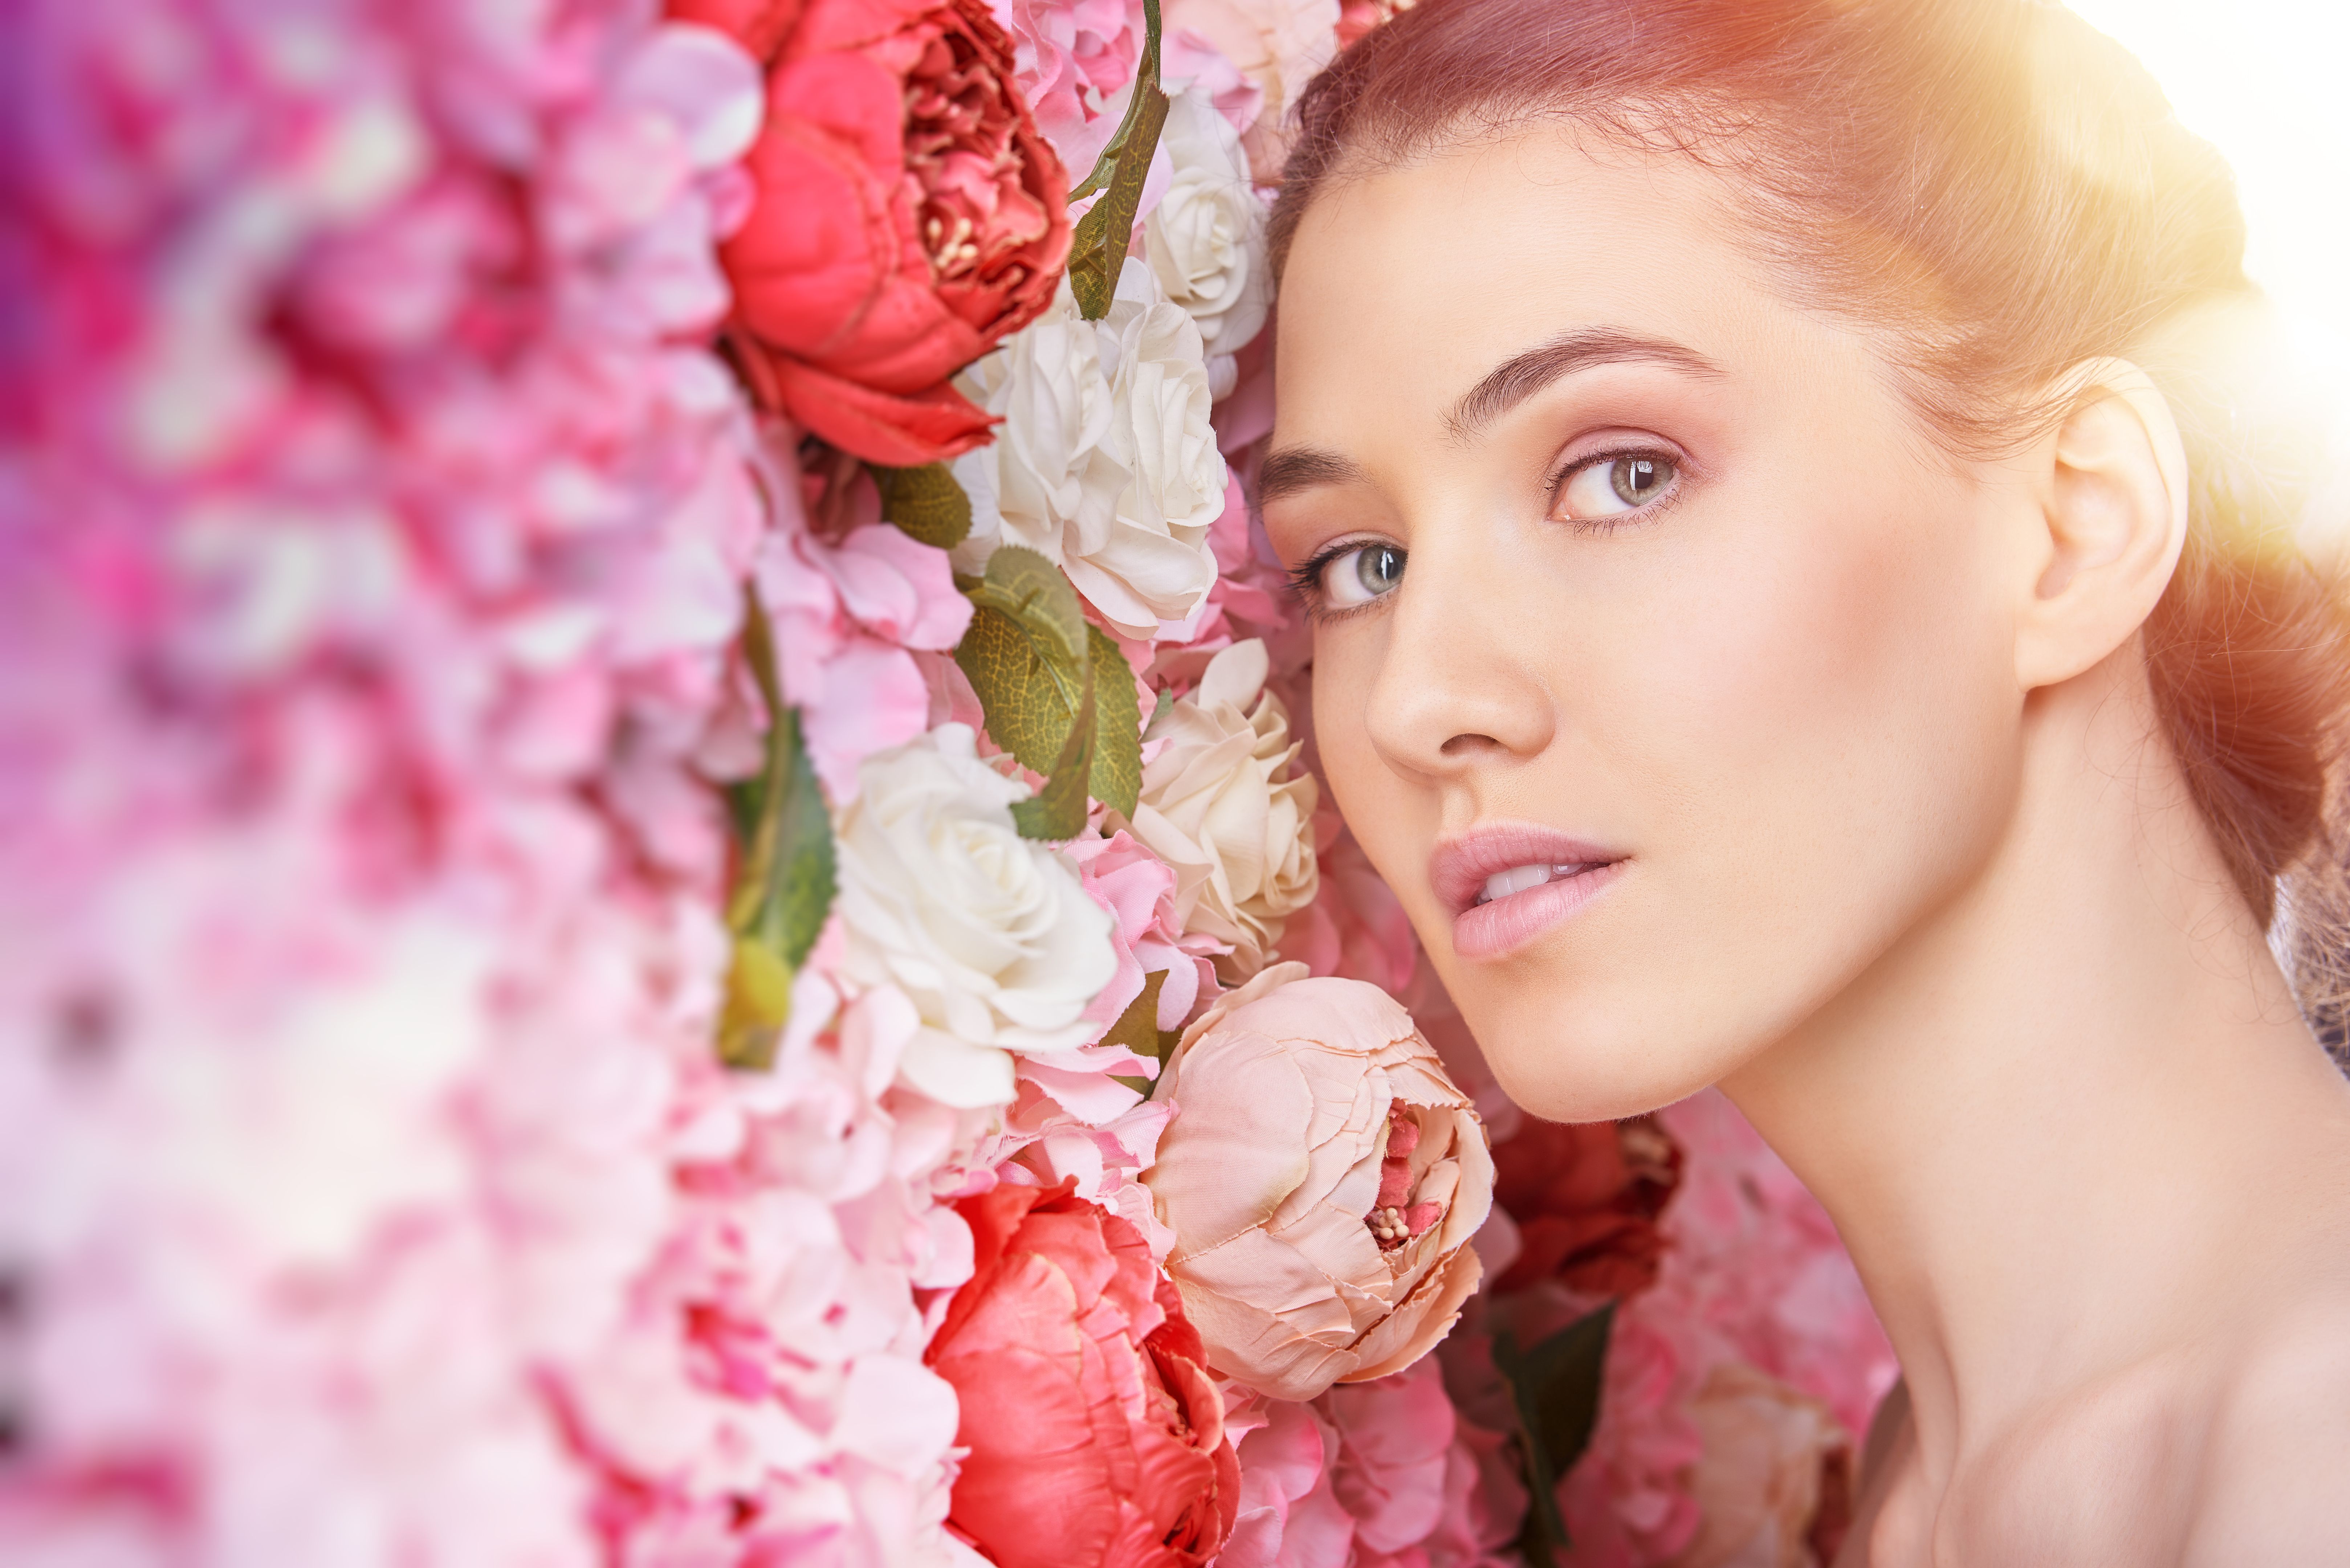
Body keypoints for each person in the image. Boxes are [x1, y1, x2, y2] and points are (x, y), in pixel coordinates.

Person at [1255, 0, 2350, 1560]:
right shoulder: (1938, 1484)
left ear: (2071, 522)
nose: (1423, 699)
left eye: (1619, 473)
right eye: (1356, 563)